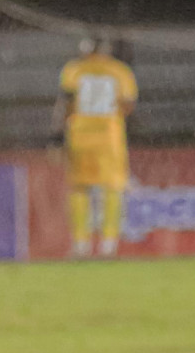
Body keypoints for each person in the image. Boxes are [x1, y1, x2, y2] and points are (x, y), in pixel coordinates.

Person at [57, 38, 138, 256]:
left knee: (79, 188)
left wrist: (57, 136)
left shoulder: (74, 69)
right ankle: (108, 245)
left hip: (80, 134)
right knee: (112, 188)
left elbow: (65, 102)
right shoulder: (119, 70)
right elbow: (128, 103)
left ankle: (81, 245)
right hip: (109, 136)